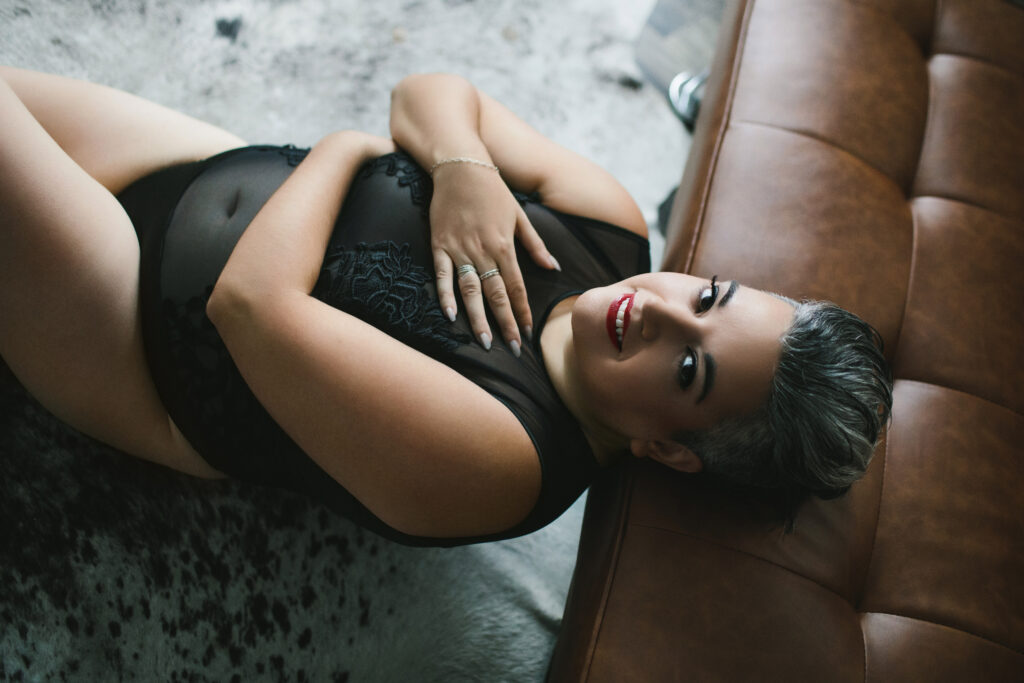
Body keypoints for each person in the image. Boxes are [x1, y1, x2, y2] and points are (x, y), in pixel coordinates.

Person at [0, 67, 892, 546]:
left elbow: (250, 307)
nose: (658, 312)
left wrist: (347, 147)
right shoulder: (610, 229)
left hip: (134, 332)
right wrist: (463, 167)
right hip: (197, 166)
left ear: (665, 447)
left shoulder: (503, 456)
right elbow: (430, 92)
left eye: (690, 368)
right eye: (709, 295)